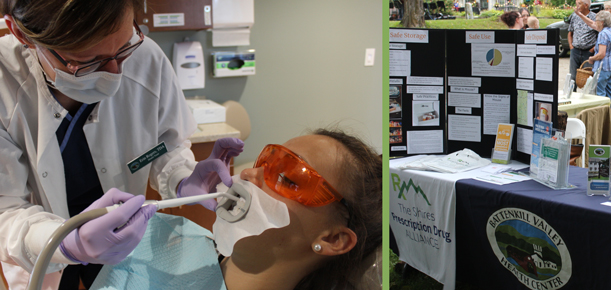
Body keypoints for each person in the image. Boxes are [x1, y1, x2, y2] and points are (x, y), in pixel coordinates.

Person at [0, 1, 239, 289]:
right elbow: (6, 211)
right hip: (42, 252)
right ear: (21, 34)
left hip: (125, 244)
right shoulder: (4, 83)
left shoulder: (147, 56)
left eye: (124, 47)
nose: (115, 72)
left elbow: (166, 144)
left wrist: (183, 177)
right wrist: (67, 244)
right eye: (88, 61)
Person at [87, 129, 383, 289]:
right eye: (264, 161)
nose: (250, 175)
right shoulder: (157, 238)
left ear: (333, 239)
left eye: (287, 178)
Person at [586, 10, 611, 124]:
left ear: (601, 22)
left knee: (600, 95)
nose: (595, 23)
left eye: (597, 20)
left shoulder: (603, 34)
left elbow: (601, 53)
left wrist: (592, 58)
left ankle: (602, 122)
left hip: (603, 67)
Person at [566, 0, 598, 79]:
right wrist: (571, 47)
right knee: (572, 77)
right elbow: (570, 33)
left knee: (588, 78)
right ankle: (573, 91)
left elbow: (600, 36)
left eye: (579, 4)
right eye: (576, 4)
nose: (577, 6)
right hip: (575, 51)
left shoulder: (595, 17)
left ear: (586, 5)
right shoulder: (574, 16)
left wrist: (592, 50)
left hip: (588, 52)